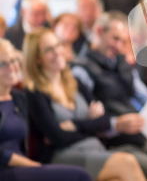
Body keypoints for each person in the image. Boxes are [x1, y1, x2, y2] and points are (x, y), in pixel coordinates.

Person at [72, 11, 147, 181]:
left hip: (142, 134)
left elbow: (144, 96)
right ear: (99, 31)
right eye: (115, 39)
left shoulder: (120, 62)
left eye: (123, 41)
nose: (119, 47)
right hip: (114, 141)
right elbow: (87, 117)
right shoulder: (81, 70)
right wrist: (115, 125)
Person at [23, 28, 147, 181]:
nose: (57, 52)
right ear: (37, 58)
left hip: (93, 148)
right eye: (49, 49)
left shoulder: (75, 82)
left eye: (58, 45)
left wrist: (75, 125)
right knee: (127, 162)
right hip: (62, 155)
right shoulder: (34, 92)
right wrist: (91, 124)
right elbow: (58, 137)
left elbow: (104, 120)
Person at [0, 38, 92, 181]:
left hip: (23, 168)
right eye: (3, 64)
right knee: (80, 175)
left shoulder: (18, 98)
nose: (11, 67)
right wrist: (34, 165)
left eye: (13, 61)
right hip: (6, 171)